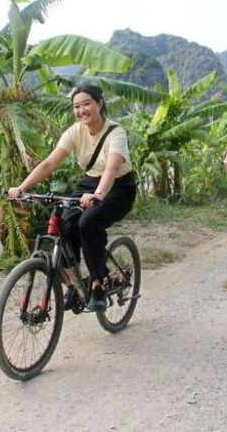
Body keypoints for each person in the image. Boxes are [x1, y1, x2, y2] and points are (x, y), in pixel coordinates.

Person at [8, 83, 137, 312]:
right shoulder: (75, 131)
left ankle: (98, 284)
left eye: (87, 104)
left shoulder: (115, 133)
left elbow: (110, 169)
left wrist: (98, 195)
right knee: (65, 225)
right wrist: (22, 187)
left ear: (99, 103)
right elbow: (49, 164)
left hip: (118, 187)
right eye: (76, 106)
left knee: (88, 223)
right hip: (88, 182)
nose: (82, 110)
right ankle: (76, 285)